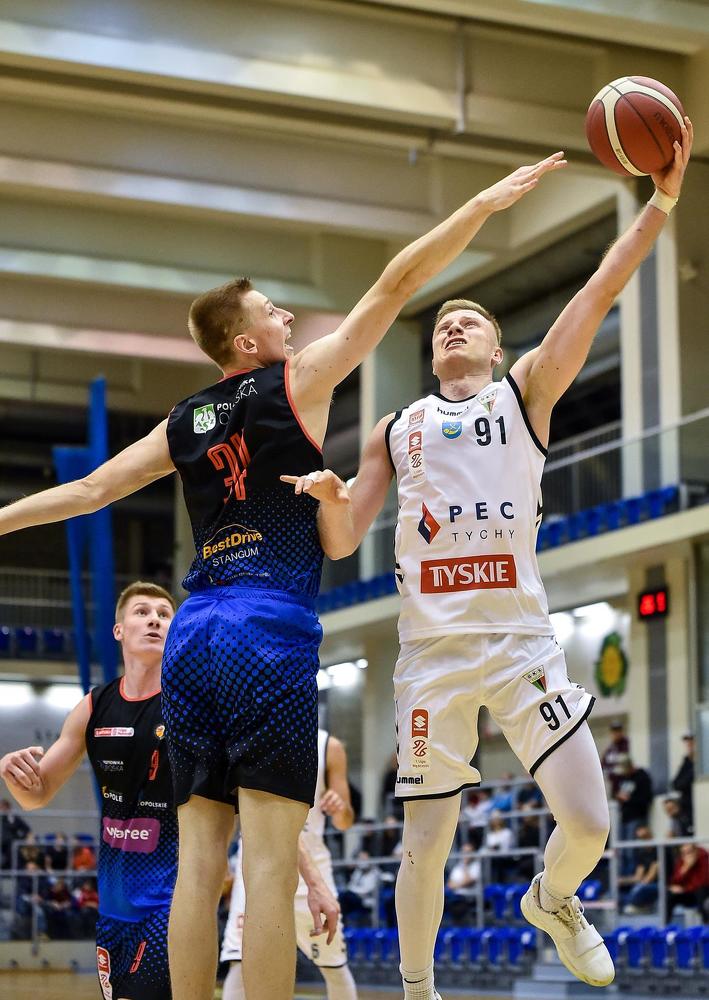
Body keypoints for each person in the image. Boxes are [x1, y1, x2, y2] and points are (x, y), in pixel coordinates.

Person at [0, 152, 566, 1000]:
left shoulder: (182, 419)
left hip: (194, 628)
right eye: (273, 310)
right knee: (267, 868)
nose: (289, 316)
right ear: (246, 343)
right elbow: (396, 283)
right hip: (265, 626)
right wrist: (481, 205)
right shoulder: (296, 380)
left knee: (198, 863)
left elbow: (87, 492)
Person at [286, 117, 693, 997]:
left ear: (497, 348)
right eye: (441, 324)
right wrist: (328, 500)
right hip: (430, 656)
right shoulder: (395, 428)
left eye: (467, 321)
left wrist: (659, 203)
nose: (451, 327)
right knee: (423, 844)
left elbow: (597, 290)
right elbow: (344, 540)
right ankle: (418, 991)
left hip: (519, 643)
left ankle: (552, 899)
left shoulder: (524, 393)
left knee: (590, 825)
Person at [0, 582, 178, 1000]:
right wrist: (13, 773)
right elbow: (36, 795)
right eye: (142, 612)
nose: (154, 619)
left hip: (169, 902)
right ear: (119, 630)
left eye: (164, 614)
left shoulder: (188, 704)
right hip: (112, 908)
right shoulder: (93, 706)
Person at [221, 730, 358, 1000]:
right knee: (239, 961)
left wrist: (340, 808)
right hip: (256, 861)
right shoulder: (251, 732)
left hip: (313, 867)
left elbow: (345, 822)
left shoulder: (329, 746)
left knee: (333, 965)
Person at [619, 826, 658, 914]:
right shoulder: (642, 853)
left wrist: (639, 885)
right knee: (617, 890)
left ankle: (640, 906)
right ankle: (633, 905)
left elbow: (650, 877)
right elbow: (638, 877)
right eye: (641, 838)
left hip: (658, 883)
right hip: (645, 883)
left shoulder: (657, 851)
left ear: (651, 836)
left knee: (638, 889)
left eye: (645, 837)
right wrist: (622, 880)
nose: (644, 840)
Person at [666, 842, 709, 922]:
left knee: (701, 892)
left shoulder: (703, 858)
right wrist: (686, 868)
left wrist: (685, 888)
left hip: (701, 892)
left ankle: (706, 924)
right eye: (684, 853)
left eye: (689, 852)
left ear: (696, 851)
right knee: (669, 895)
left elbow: (703, 882)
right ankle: (665, 924)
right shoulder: (681, 861)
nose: (687, 856)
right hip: (688, 893)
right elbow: (674, 881)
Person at [614, 757, 654, 843]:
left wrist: (629, 799)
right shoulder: (624, 778)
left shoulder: (642, 778)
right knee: (621, 846)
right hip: (624, 817)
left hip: (637, 817)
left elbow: (646, 798)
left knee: (631, 847)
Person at [671, 732, 695, 834]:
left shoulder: (703, 762)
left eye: (691, 742)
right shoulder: (687, 761)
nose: (689, 745)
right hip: (686, 808)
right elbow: (675, 784)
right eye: (687, 742)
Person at [601, 721, 630, 797]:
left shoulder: (625, 744)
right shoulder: (611, 747)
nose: (616, 734)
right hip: (612, 782)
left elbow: (623, 762)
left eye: (618, 731)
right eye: (614, 732)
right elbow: (603, 763)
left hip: (623, 781)